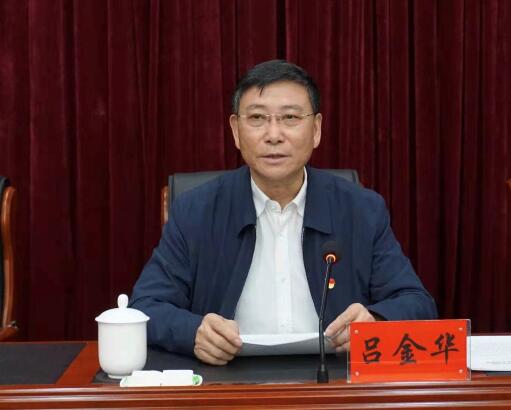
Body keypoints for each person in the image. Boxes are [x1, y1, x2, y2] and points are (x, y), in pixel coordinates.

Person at [130, 60, 437, 365]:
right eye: (257, 118)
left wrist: (375, 321)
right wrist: (193, 332)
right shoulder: (196, 211)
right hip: (227, 379)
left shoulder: (361, 210)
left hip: (332, 379)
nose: (274, 135)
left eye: (290, 117)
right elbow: (145, 306)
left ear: (316, 129)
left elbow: (417, 303)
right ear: (235, 131)